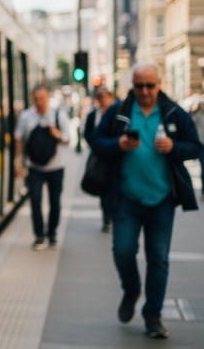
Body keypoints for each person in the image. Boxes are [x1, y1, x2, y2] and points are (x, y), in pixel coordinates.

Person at [92, 61, 200, 339]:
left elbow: (195, 147)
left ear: (159, 84)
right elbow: (96, 141)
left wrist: (174, 147)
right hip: (126, 198)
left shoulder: (173, 112)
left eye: (150, 86)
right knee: (123, 251)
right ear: (133, 86)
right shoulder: (119, 111)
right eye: (139, 86)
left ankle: (153, 315)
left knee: (158, 259)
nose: (144, 91)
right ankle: (131, 289)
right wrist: (117, 145)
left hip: (162, 199)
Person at [14, 84, 70, 250]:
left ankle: (52, 233)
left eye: (42, 98)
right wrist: (17, 162)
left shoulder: (58, 115)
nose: (39, 102)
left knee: (55, 202)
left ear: (48, 98)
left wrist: (56, 133)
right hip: (34, 167)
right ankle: (39, 236)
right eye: (36, 98)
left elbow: (68, 139)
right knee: (35, 201)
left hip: (56, 167)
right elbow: (19, 139)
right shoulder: (26, 116)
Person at [84, 87, 117, 232]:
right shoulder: (93, 115)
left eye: (105, 96)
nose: (103, 100)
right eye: (100, 97)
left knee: (115, 188)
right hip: (99, 157)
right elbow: (87, 134)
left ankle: (114, 216)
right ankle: (106, 218)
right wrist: (96, 146)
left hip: (115, 156)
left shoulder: (118, 114)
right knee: (104, 189)